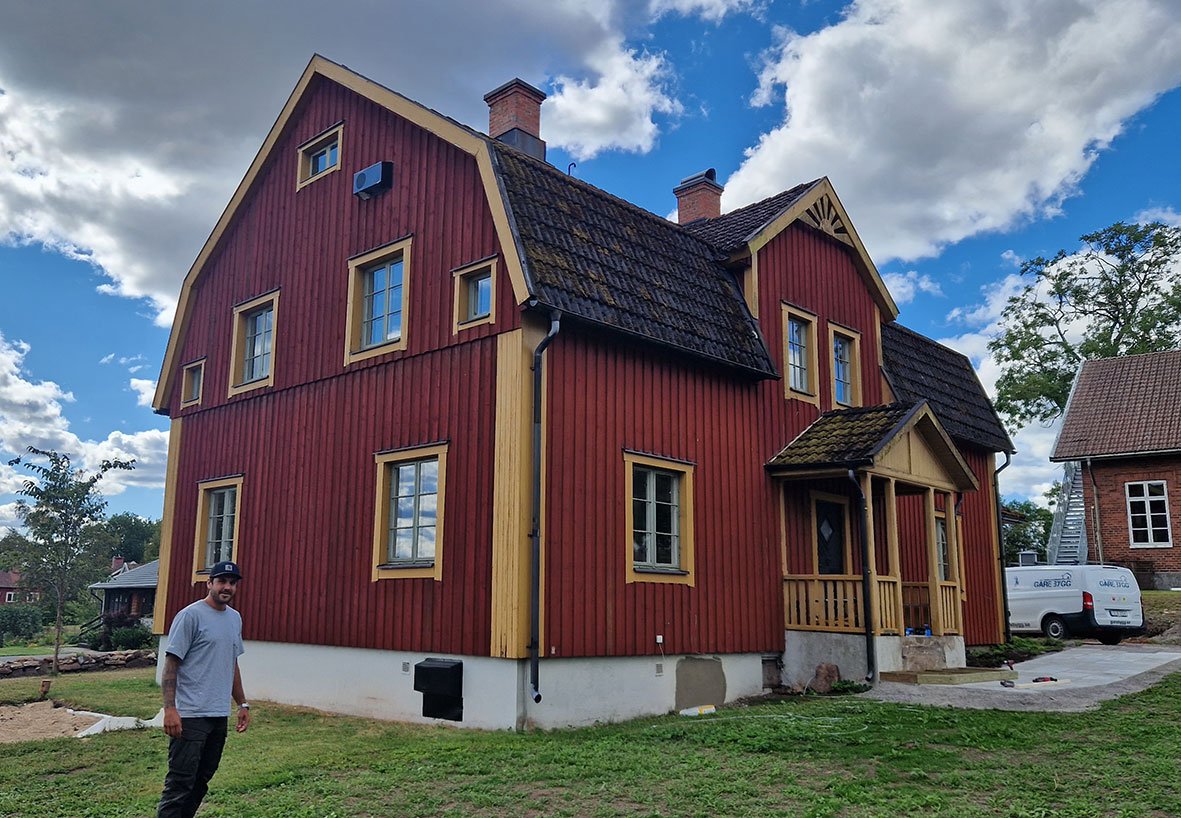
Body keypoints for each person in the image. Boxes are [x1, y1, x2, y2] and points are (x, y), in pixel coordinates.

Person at [157, 560, 251, 818]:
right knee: (180, 784)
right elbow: (171, 664)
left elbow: (231, 663)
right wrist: (170, 709)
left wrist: (242, 704)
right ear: (209, 583)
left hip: (218, 714)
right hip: (191, 715)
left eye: (232, 583)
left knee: (201, 781)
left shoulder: (234, 618)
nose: (227, 587)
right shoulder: (191, 616)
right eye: (221, 581)